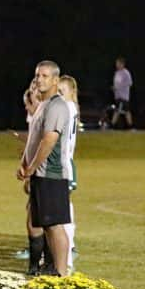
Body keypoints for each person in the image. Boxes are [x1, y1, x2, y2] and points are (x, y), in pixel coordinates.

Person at [17, 60, 72, 276]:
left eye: (45, 76)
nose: (39, 79)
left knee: (55, 225)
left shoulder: (57, 105)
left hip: (52, 174)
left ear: (56, 80)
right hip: (40, 173)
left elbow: (49, 140)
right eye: (37, 75)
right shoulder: (42, 105)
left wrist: (31, 167)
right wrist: (23, 162)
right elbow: (34, 139)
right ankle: (52, 269)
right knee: (46, 225)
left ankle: (61, 272)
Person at [59, 75, 80, 272]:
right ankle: (68, 248)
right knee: (63, 206)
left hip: (63, 165)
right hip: (65, 163)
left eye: (61, 92)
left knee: (61, 210)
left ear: (71, 93)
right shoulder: (71, 108)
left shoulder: (67, 109)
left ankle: (66, 255)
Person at [110, 56, 133, 129]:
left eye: (118, 63)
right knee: (123, 111)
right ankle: (129, 126)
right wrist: (114, 88)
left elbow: (130, 83)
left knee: (121, 111)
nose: (116, 65)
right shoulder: (117, 73)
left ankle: (113, 126)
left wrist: (119, 87)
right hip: (117, 96)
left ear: (122, 64)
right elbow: (117, 83)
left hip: (123, 96)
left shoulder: (126, 73)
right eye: (116, 63)